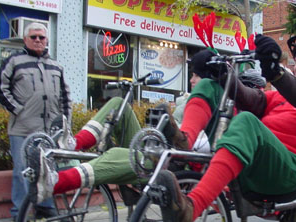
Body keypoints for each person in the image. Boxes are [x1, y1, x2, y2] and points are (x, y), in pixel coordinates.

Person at [155, 34, 296, 222]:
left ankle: (190, 209)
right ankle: (184, 141)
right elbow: (249, 98)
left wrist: (277, 73)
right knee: (209, 85)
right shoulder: (279, 96)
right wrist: (223, 75)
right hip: (254, 162)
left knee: (246, 121)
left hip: (286, 174)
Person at [24, 49, 256, 206]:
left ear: (207, 78)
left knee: (114, 154)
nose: (192, 80)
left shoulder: (219, 106)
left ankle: (55, 182)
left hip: (176, 164)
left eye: (196, 76)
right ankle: (73, 143)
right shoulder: (188, 99)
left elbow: (203, 146)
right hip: (156, 151)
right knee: (118, 104)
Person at [0, 22, 71, 220]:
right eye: (34, 37)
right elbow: (0, 87)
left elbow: (65, 96)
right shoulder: (14, 61)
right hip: (22, 128)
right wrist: (18, 110)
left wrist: (64, 123)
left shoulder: (56, 66)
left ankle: (45, 207)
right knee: (22, 171)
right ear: (26, 39)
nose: (38, 40)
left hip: (48, 131)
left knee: (47, 171)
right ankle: (20, 211)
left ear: (46, 41)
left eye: (41, 37)